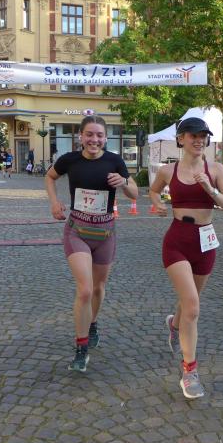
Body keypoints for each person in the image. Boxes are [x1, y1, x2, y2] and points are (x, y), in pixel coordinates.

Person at [149, 117, 223, 399]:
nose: (199, 140)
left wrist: (211, 190)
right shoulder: (168, 170)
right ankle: (190, 372)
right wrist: (158, 204)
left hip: (205, 243)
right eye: (193, 135)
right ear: (181, 139)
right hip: (177, 241)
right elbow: (153, 190)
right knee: (193, 306)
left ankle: (174, 324)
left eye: (203, 136)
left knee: (190, 304)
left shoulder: (216, 169)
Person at [45, 116, 138, 372]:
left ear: (105, 138)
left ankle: (93, 322)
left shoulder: (115, 161)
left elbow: (134, 193)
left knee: (98, 288)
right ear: (81, 136)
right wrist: (54, 202)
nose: (94, 139)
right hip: (77, 231)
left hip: (105, 233)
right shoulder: (70, 160)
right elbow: (50, 177)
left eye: (99, 135)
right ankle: (81, 347)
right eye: (89, 134)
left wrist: (124, 183)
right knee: (85, 290)